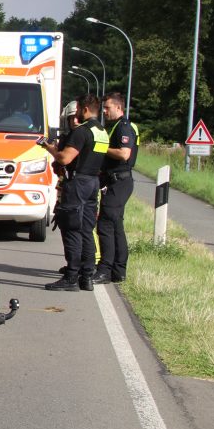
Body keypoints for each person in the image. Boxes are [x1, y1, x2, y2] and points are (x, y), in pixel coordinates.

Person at [40, 94, 108, 291]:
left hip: (77, 183)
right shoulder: (101, 132)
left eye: (78, 109)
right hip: (93, 181)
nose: (76, 114)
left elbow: (64, 159)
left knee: (71, 229)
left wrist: (49, 148)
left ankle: (71, 277)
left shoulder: (82, 132)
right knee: (86, 229)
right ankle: (86, 277)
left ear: (85, 109)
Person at [95, 93, 138, 284]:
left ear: (119, 108)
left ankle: (105, 270)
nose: (104, 111)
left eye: (107, 108)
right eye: (103, 108)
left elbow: (124, 153)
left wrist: (100, 148)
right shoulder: (116, 126)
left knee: (105, 225)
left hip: (119, 182)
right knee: (116, 226)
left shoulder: (124, 127)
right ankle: (118, 271)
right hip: (115, 182)